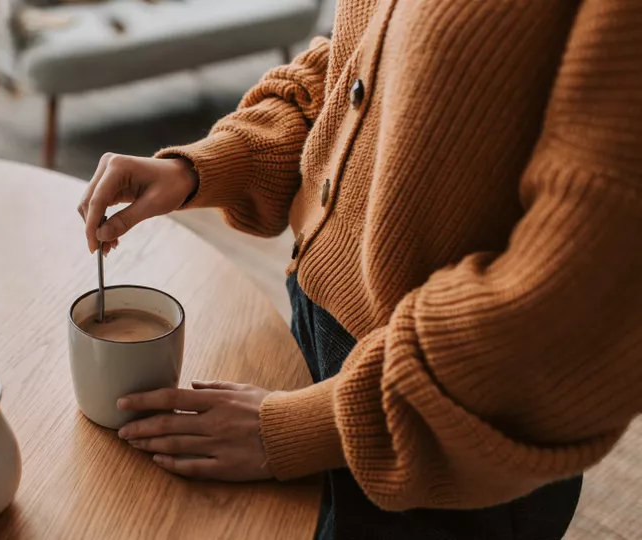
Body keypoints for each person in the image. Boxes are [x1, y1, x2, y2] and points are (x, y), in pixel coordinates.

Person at [76, 0, 642, 538]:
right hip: (317, 338)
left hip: (447, 428)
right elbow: (358, 58)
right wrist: (210, 163)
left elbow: (579, 300)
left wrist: (314, 428)